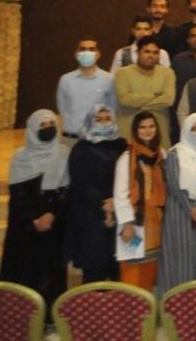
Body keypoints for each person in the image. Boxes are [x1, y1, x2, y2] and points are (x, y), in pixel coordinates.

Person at [0, 109, 69, 321]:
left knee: (51, 273)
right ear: (32, 129)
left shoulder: (64, 153)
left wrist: (52, 215)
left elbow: (66, 192)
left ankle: (49, 319)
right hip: (26, 230)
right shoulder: (20, 157)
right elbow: (18, 194)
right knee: (24, 271)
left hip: (53, 227)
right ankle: (20, 319)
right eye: (42, 125)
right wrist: (34, 218)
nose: (47, 128)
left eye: (51, 124)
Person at [67, 105, 127, 283]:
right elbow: (80, 181)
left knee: (118, 270)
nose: (104, 123)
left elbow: (128, 176)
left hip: (119, 210)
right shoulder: (82, 148)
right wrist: (103, 204)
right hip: (90, 213)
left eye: (107, 119)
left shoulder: (121, 145)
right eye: (98, 120)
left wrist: (114, 203)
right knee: (94, 270)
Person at [114, 110, 167, 291]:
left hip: (155, 225)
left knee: (148, 276)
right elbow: (120, 194)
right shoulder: (127, 158)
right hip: (134, 224)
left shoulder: (161, 155)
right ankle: (129, 310)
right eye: (142, 127)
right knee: (131, 278)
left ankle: (145, 310)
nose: (147, 131)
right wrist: (127, 224)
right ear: (135, 131)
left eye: (151, 126)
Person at [160, 113, 196, 293]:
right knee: (181, 260)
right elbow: (174, 185)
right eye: (192, 129)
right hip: (180, 213)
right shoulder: (175, 154)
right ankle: (177, 305)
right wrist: (192, 210)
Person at [114, 36, 176, 146]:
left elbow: (168, 100)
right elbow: (124, 99)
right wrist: (154, 95)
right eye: (147, 52)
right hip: (129, 133)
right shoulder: (122, 73)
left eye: (155, 52)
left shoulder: (167, 73)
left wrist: (137, 104)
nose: (151, 56)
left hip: (159, 134)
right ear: (138, 52)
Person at [56, 39, 116, 144]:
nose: (87, 52)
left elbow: (112, 109)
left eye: (91, 49)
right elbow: (62, 109)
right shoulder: (66, 80)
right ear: (76, 54)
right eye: (82, 49)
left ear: (98, 54)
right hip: (71, 139)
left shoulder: (109, 79)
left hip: (98, 139)